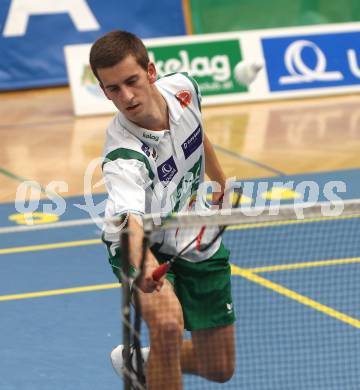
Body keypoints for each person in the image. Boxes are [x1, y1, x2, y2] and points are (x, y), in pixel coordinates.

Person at [89, 30, 236, 389]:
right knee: (168, 325)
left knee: (218, 367)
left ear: (151, 72)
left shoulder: (185, 89)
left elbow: (197, 132)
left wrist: (218, 181)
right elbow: (130, 222)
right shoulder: (123, 156)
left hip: (191, 228)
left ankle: (140, 361)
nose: (125, 97)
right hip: (140, 241)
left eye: (131, 82)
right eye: (112, 89)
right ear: (103, 90)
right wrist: (140, 267)